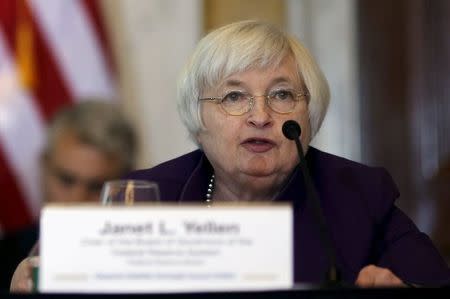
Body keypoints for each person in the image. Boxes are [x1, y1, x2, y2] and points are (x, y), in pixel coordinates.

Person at [10, 20, 450, 292]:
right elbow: (50, 268)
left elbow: (429, 280)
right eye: (234, 97)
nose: (260, 116)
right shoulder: (149, 194)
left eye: (281, 94)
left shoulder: (359, 194)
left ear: (309, 114)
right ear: (198, 118)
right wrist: (36, 275)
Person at [7, 100, 137, 292]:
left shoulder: (140, 264)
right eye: (66, 180)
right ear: (44, 168)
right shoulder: (4, 260)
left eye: (96, 186)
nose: (77, 198)